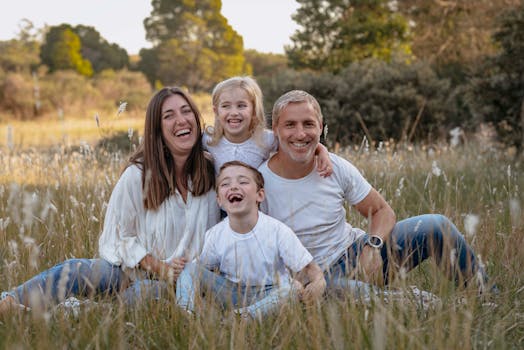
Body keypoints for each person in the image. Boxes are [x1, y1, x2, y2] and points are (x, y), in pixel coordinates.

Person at [0, 87, 220, 315]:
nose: (181, 120)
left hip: (182, 283)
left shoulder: (213, 173)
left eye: (186, 111)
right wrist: (158, 267)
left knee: (146, 294)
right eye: (169, 116)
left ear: (196, 117)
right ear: (157, 130)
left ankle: (67, 315)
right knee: (76, 270)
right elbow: (118, 235)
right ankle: (9, 303)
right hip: (129, 271)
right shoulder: (138, 175)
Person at [258, 89, 494, 295]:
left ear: (320, 127)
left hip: (356, 255)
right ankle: (408, 301)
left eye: (308, 124)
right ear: (275, 129)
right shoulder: (260, 181)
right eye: (290, 125)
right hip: (310, 278)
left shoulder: (336, 167)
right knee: (339, 292)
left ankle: (485, 296)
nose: (300, 134)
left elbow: (382, 211)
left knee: (435, 225)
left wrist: (373, 246)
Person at [176, 161, 326, 319]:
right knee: (189, 269)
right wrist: (183, 269)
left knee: (292, 289)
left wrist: (318, 281)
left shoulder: (277, 231)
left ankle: (241, 318)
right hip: (232, 292)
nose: (233, 187)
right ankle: (186, 313)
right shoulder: (215, 234)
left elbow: (309, 268)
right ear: (219, 200)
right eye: (225, 184)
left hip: (269, 292)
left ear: (259, 195)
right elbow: (201, 268)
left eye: (243, 182)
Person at [203, 76, 332, 176]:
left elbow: (296, 143)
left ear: (254, 110)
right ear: (216, 111)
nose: (234, 112)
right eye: (226, 106)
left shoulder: (266, 139)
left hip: (257, 207)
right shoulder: (209, 139)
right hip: (220, 207)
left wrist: (322, 152)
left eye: (241, 105)